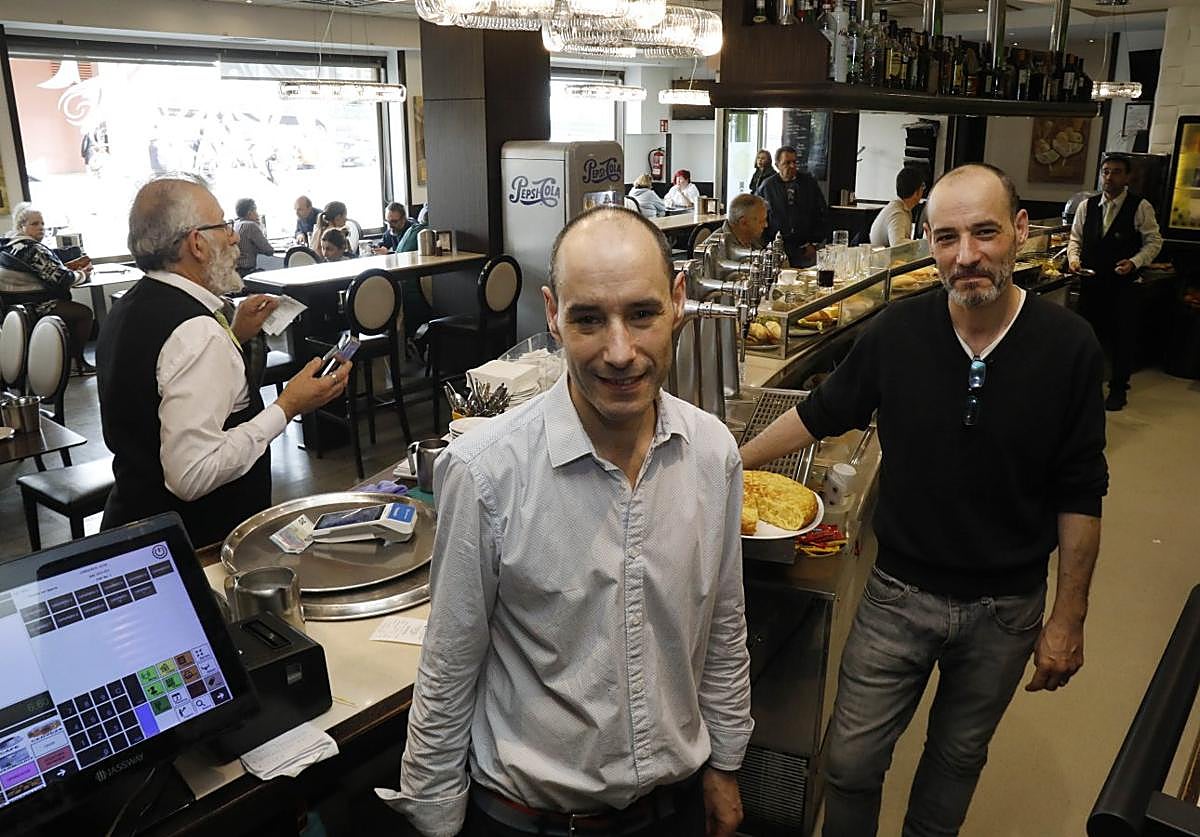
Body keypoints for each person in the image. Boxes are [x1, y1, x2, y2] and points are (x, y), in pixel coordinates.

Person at [740, 163, 1108, 837]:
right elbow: (824, 411)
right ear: (929, 241)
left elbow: (1081, 488)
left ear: (1020, 232)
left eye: (985, 233)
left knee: (956, 760)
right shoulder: (897, 331)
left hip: (1007, 609)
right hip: (898, 593)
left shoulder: (1069, 348)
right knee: (849, 762)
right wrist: (729, 464)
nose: (966, 255)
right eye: (947, 237)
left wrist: (1069, 617)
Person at [388, 206, 753, 837]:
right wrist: (436, 816)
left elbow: (722, 626)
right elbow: (449, 665)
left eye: (642, 314)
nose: (620, 352)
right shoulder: (485, 472)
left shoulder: (712, 454)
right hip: (530, 821)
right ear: (553, 314)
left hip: (671, 812)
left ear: (678, 302)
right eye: (589, 319)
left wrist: (725, 763)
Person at [96, 176, 349, 547]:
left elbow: (160, 381)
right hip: (195, 542)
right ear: (196, 242)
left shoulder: (132, 306)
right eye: (223, 225)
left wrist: (235, 334)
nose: (233, 237)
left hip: (138, 523)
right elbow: (192, 475)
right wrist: (288, 405)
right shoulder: (195, 332)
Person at [1067, 152, 1163, 411]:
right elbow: (1075, 239)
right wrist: (1073, 260)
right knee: (1088, 338)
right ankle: (1087, 388)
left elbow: (1154, 241)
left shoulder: (1140, 206)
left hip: (1123, 286)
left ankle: (1119, 389)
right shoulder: (1087, 206)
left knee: (1122, 339)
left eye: (1117, 171)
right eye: (1106, 171)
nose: (1110, 177)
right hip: (1091, 284)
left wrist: (1135, 262)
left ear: (1128, 176)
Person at [0, 202, 96, 374]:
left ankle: (66, 359)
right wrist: (83, 274)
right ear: (21, 226)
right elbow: (62, 279)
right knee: (84, 314)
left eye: (43, 223)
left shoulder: (9, 244)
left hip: (12, 307)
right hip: (33, 306)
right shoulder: (31, 249)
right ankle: (76, 362)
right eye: (35, 224)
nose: (41, 228)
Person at [755, 146, 829, 267]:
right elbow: (760, 217)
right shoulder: (767, 187)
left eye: (794, 162)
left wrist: (814, 243)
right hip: (776, 248)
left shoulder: (809, 183)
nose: (792, 166)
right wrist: (766, 245)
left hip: (804, 248)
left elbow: (821, 213)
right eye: (787, 163)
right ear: (777, 164)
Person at [869, 167, 925, 247]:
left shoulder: (898, 207)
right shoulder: (897, 213)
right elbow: (897, 244)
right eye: (922, 187)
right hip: (884, 258)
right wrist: (922, 244)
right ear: (916, 192)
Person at [233, 197, 274, 277]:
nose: (257, 214)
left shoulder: (236, 225)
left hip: (237, 272)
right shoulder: (251, 226)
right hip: (247, 272)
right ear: (250, 212)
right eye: (255, 210)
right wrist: (259, 227)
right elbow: (269, 251)